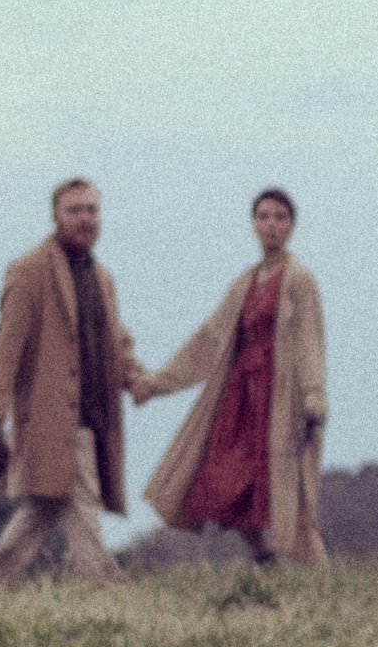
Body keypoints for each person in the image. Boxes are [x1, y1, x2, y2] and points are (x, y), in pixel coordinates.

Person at [137, 187, 328, 565]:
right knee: (224, 482)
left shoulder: (299, 279)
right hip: (241, 399)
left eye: (279, 217)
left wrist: (314, 391)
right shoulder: (246, 282)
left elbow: (309, 336)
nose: (271, 225)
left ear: (290, 225)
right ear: (254, 224)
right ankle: (264, 557)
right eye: (263, 216)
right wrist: (156, 384)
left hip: (281, 398)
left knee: (290, 491)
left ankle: (321, 579)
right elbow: (209, 339)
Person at [0, 176, 145, 587]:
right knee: (81, 503)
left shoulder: (102, 278)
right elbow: (6, 347)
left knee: (45, 507)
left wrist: (133, 376)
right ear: (55, 217)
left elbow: (114, 339)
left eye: (91, 210)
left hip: (96, 414)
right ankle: (111, 592)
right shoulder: (28, 271)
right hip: (51, 416)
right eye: (74, 210)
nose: (85, 218)